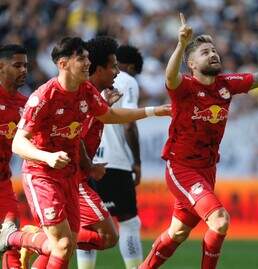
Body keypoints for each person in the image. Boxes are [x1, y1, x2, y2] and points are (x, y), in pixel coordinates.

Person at [140, 13, 258, 269]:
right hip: (182, 168)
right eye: (205, 52)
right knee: (220, 220)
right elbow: (169, 77)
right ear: (191, 63)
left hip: (208, 170)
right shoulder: (185, 87)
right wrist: (180, 44)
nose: (213, 54)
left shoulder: (225, 85)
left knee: (177, 233)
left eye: (214, 50)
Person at [0, 37, 170, 269]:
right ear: (63, 63)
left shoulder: (85, 91)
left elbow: (109, 116)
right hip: (42, 175)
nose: (88, 63)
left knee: (66, 244)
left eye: (88, 58)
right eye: (82, 58)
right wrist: (48, 157)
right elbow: (18, 143)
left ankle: (31, 240)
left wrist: (153, 111)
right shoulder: (43, 96)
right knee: (61, 243)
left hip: (71, 176)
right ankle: (20, 238)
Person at [91, 44, 144, 269]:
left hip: (88, 161)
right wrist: (137, 161)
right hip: (115, 161)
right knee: (129, 222)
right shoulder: (127, 80)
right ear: (130, 66)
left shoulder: (86, 79)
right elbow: (129, 123)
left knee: (89, 224)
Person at [0, 44, 28, 269]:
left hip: (3, 182)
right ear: (1, 66)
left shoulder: (25, 104)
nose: (23, 70)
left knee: (11, 238)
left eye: (26, 65)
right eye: (17, 65)